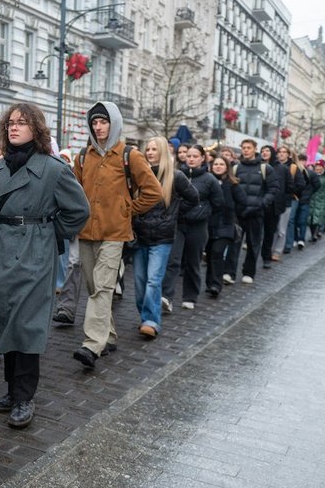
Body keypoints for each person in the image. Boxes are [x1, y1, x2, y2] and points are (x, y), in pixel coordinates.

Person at [0, 102, 88, 426]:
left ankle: (24, 397)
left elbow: (79, 211)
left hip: (35, 254)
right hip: (1, 252)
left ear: (36, 128)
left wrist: (48, 234)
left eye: (21, 123)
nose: (14, 127)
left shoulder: (53, 169)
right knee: (7, 320)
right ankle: (11, 390)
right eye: (10, 123)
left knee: (26, 325)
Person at [70, 101, 162, 369]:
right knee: (93, 286)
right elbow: (74, 191)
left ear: (114, 124)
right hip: (87, 231)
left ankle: (92, 345)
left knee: (102, 287)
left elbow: (153, 192)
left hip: (114, 233)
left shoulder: (130, 155)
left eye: (103, 122)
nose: (98, 127)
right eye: (95, 122)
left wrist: (128, 211)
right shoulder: (83, 156)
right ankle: (108, 335)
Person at [132, 137, 198, 337]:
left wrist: (173, 214)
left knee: (153, 280)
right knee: (139, 281)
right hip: (139, 235)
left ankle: (151, 321)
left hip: (162, 238)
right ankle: (145, 315)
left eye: (154, 149)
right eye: (148, 149)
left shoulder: (175, 176)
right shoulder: (137, 175)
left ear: (162, 151)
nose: (150, 152)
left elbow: (193, 198)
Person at [161, 144, 220, 311]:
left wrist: (204, 212)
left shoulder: (210, 180)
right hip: (178, 224)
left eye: (195, 156)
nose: (191, 159)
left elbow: (218, 203)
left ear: (202, 158)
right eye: (189, 156)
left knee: (193, 261)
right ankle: (166, 296)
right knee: (173, 260)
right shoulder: (177, 175)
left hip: (198, 226)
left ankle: (190, 296)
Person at [232, 139, 279, 284]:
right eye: (243, 148)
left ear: (254, 149)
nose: (245, 150)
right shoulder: (235, 168)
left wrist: (262, 203)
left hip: (256, 213)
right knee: (234, 244)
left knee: (253, 244)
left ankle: (249, 272)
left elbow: (274, 189)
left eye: (248, 148)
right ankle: (230, 273)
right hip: (238, 213)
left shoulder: (266, 168)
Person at [204, 156, 245, 297]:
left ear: (227, 167)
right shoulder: (207, 181)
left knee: (217, 252)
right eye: (216, 164)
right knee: (209, 254)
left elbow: (242, 201)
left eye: (221, 164)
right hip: (208, 224)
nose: (218, 166)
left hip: (225, 224)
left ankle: (216, 284)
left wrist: (233, 215)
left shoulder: (232, 184)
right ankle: (210, 283)